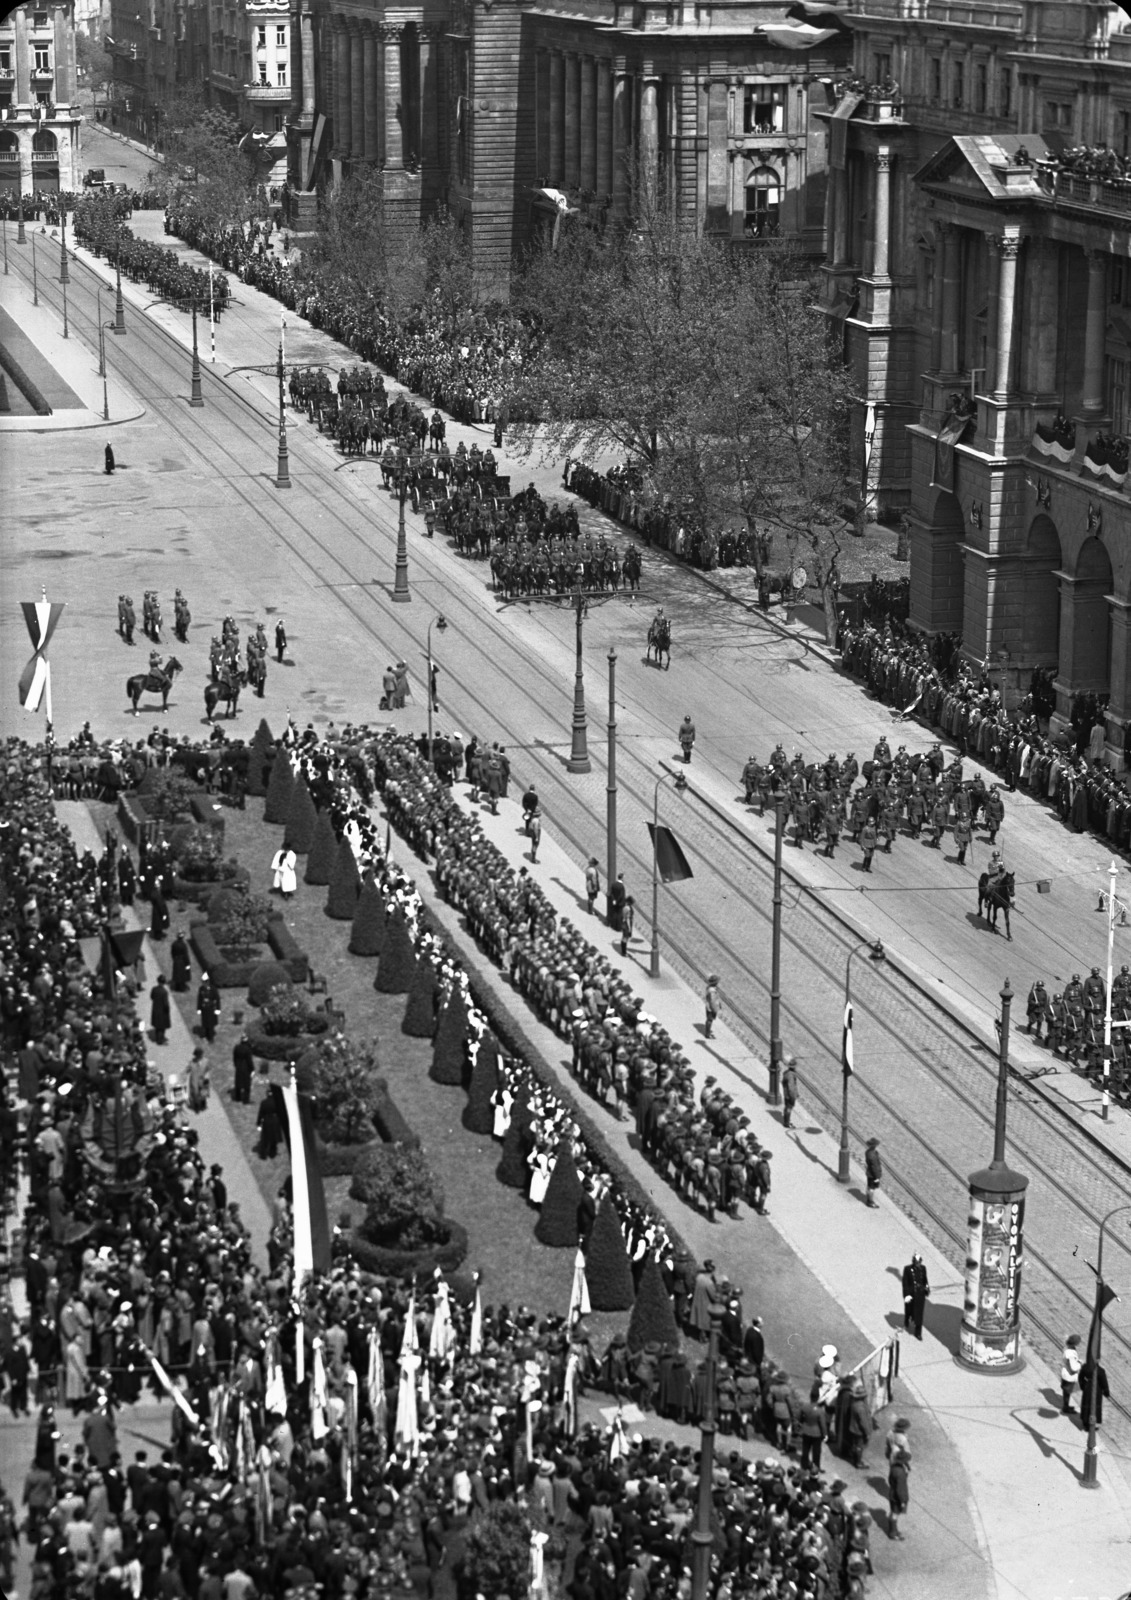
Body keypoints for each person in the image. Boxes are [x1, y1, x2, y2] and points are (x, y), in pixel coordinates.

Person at [885, 1418, 911, 1540]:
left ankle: (893, 1530)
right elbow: (901, 1488)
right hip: (896, 1496)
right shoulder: (900, 1473)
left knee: (893, 1512)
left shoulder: (894, 1468)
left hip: (892, 1492)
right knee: (895, 1514)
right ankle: (893, 1532)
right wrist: (903, 1500)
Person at [901, 1253, 930, 1338]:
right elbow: (905, 1283)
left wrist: (927, 1288)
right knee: (909, 1309)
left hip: (920, 1294)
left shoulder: (923, 1268)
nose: (918, 1264)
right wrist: (906, 1295)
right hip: (911, 1293)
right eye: (916, 1262)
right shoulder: (907, 1269)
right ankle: (907, 1319)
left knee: (919, 1314)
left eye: (919, 1262)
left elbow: (925, 1280)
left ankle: (918, 1332)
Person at [1060, 1333, 1082, 1415]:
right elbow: (1073, 1367)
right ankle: (1065, 1407)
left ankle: (1066, 1406)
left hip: (1065, 1373)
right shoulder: (1071, 1354)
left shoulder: (1067, 1347)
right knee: (1067, 1392)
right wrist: (1080, 1363)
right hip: (1069, 1376)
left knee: (1066, 1392)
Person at [232, 1032, 255, 1105]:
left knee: (238, 1082)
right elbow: (249, 1060)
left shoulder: (237, 1047)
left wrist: (236, 1065)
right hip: (246, 1068)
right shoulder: (248, 1049)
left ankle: (238, 1097)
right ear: (246, 1039)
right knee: (247, 1084)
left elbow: (234, 1058)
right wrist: (252, 1069)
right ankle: (246, 1100)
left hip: (238, 1066)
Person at [197, 974, 220, 1043]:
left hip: (211, 1009)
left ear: (207, 982)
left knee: (210, 1023)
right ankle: (206, 1034)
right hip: (204, 1009)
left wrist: (218, 1009)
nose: (203, 983)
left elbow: (217, 999)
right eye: (202, 982)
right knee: (205, 1022)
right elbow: (200, 998)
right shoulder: (201, 988)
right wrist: (198, 1008)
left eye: (204, 982)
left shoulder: (213, 989)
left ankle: (210, 1037)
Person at [150, 974, 171, 1046]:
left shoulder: (154, 989)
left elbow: (152, 997)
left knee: (157, 1026)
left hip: (155, 1009)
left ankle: (157, 1038)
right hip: (162, 1011)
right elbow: (166, 1004)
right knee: (162, 1027)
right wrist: (167, 1010)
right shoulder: (164, 992)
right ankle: (160, 1040)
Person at [188, 1047, 211, 1112]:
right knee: (195, 1094)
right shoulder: (192, 1062)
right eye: (197, 1055)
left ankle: (203, 1104)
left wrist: (206, 1077)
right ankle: (197, 1106)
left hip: (203, 1080)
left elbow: (207, 1070)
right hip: (194, 1081)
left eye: (199, 1055)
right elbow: (188, 1069)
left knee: (203, 1093)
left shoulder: (206, 1061)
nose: (198, 1057)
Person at [781, 1057, 798, 1129]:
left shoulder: (787, 1073)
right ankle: (786, 1123)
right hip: (789, 1095)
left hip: (786, 1094)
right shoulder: (791, 1075)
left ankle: (786, 1121)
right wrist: (793, 1096)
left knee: (787, 1107)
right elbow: (791, 1087)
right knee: (789, 1108)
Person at [864, 1137, 882, 1206]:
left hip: (869, 1173)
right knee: (872, 1188)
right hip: (873, 1174)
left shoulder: (868, 1152)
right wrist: (877, 1177)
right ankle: (870, 1202)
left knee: (869, 1186)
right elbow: (875, 1167)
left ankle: (869, 1199)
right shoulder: (873, 1155)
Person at [704, 974, 721, 1040]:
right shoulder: (712, 991)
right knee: (710, 1020)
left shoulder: (709, 987)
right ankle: (707, 1034)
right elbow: (713, 1001)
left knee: (709, 1019)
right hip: (711, 1008)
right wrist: (715, 1010)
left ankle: (707, 1032)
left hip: (709, 1006)